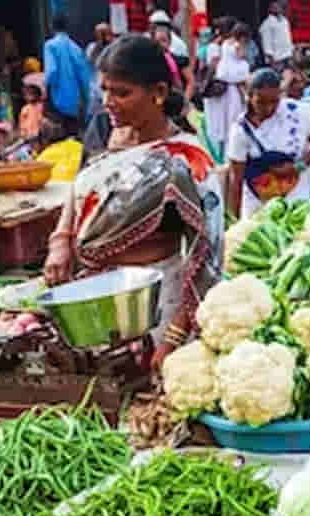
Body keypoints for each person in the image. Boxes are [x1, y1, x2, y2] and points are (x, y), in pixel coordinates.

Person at [44, 35, 221, 371]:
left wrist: (172, 339)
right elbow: (79, 186)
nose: (108, 102)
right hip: (92, 297)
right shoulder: (105, 131)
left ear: (158, 93)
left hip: (152, 305)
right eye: (104, 90)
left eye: (121, 93)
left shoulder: (187, 160)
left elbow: (208, 257)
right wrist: (61, 242)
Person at [227, 68, 310, 219]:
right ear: (249, 96)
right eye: (261, 102)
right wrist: (235, 220)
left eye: (274, 101)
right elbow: (237, 179)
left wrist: (297, 167)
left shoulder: (298, 112)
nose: (269, 108)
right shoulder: (240, 130)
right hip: (258, 203)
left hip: (297, 199)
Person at [202, 20, 250, 157]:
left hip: (225, 85)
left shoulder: (224, 44)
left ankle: (222, 153)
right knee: (233, 122)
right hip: (232, 89)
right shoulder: (237, 46)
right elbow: (241, 57)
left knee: (222, 124)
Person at [43, 15, 93, 137]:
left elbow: (51, 72)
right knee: (74, 135)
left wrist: (45, 89)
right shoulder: (75, 47)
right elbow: (85, 78)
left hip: (57, 100)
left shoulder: (50, 45)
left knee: (58, 136)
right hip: (75, 102)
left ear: (52, 27)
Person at [154, 26, 191, 96]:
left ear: (169, 42)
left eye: (163, 40)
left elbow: (190, 82)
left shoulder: (180, 60)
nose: (160, 44)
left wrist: (185, 100)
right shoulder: (150, 62)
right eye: (157, 41)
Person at [260, 1, 295, 70]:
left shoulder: (285, 21)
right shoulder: (267, 24)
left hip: (288, 58)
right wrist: (273, 64)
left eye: (280, 5)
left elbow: (288, 39)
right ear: (270, 8)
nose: (278, 7)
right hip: (277, 61)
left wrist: (292, 54)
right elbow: (267, 46)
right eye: (275, 5)